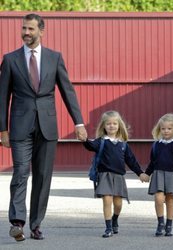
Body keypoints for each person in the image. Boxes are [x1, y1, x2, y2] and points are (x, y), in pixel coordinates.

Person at [0, 13, 87, 241]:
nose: (26, 33)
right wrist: (2, 130)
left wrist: (78, 122)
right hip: (19, 127)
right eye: (23, 29)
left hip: (47, 127)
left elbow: (68, 91)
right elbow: (2, 98)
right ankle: (17, 222)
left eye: (30, 29)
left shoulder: (54, 58)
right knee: (21, 172)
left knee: (42, 176)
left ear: (41, 31)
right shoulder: (10, 59)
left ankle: (36, 224)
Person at [83, 110, 147, 238]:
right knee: (107, 201)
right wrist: (84, 139)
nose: (111, 126)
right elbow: (90, 146)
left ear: (119, 126)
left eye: (114, 123)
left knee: (118, 204)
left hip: (118, 176)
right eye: (108, 124)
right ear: (104, 126)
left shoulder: (123, 144)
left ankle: (115, 219)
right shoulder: (100, 141)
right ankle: (108, 228)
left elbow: (131, 160)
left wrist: (140, 173)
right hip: (104, 175)